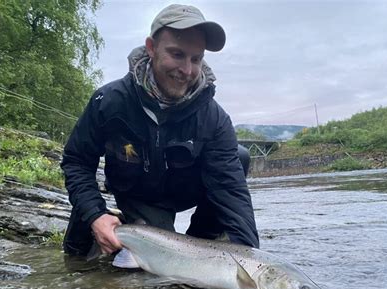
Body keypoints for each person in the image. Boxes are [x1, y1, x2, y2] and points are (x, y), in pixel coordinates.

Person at [61, 4, 259, 261]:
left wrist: (252, 261)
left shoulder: (214, 119)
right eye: (177, 54)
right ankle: (106, 222)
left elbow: (232, 194)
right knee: (79, 259)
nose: (187, 70)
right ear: (151, 48)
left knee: (239, 157)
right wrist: (95, 214)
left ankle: (202, 245)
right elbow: (76, 162)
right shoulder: (109, 101)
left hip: (181, 191)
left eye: (196, 59)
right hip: (135, 193)